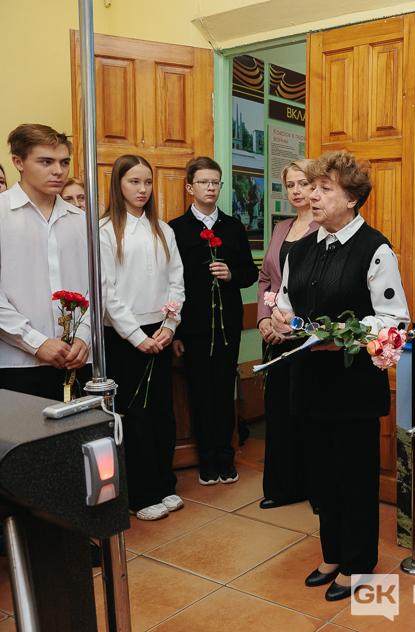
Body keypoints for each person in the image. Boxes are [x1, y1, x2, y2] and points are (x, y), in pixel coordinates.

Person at [272, 150, 409, 602]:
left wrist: (342, 336)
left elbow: (393, 320)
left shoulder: (375, 249)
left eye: (324, 188)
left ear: (351, 198)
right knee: (321, 476)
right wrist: (280, 321)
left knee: (354, 477)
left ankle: (359, 562)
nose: (312, 196)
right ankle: (332, 553)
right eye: (311, 187)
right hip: (308, 382)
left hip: (352, 389)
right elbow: (287, 306)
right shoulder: (300, 249)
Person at [101, 155, 185, 521]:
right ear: (118, 184)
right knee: (134, 416)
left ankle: (164, 484)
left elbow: (176, 282)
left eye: (147, 182)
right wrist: (136, 336)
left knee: (162, 413)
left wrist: (169, 325)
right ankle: (141, 494)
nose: (142, 189)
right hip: (124, 336)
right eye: (134, 182)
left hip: (160, 332)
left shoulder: (163, 230)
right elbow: (107, 292)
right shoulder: (106, 230)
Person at [169, 157, 257, 486]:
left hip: (227, 326)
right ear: (190, 187)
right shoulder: (175, 229)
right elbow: (170, 283)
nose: (210, 188)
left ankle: (225, 456)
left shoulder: (233, 227)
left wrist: (232, 274)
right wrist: (175, 331)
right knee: (199, 393)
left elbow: (250, 273)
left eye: (215, 182)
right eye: (204, 182)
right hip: (192, 328)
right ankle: (206, 459)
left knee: (223, 391)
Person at [0, 124, 90, 400]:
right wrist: (36, 342)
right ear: (18, 162)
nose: (58, 171)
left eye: (64, 162)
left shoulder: (81, 220)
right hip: (17, 363)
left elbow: (99, 286)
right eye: (46, 162)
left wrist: (84, 335)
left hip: (77, 358)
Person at [256, 159, 318, 509]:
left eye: (303, 183)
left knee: (308, 412)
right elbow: (267, 279)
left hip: (308, 337)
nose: (296, 191)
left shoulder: (326, 229)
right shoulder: (281, 228)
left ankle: (315, 488)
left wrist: (292, 325)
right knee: (279, 412)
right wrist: (264, 320)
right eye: (291, 184)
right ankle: (282, 488)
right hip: (274, 336)